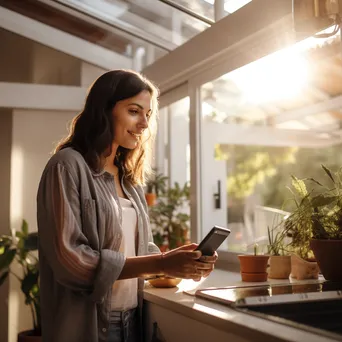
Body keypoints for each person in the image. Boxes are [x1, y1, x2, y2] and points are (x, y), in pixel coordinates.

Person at [37, 69, 217, 342]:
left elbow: (138, 252)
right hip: (89, 325)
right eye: (134, 111)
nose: (144, 123)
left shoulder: (129, 181)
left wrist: (182, 261)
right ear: (105, 110)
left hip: (134, 320)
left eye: (147, 114)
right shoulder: (66, 166)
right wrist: (161, 262)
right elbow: (70, 261)